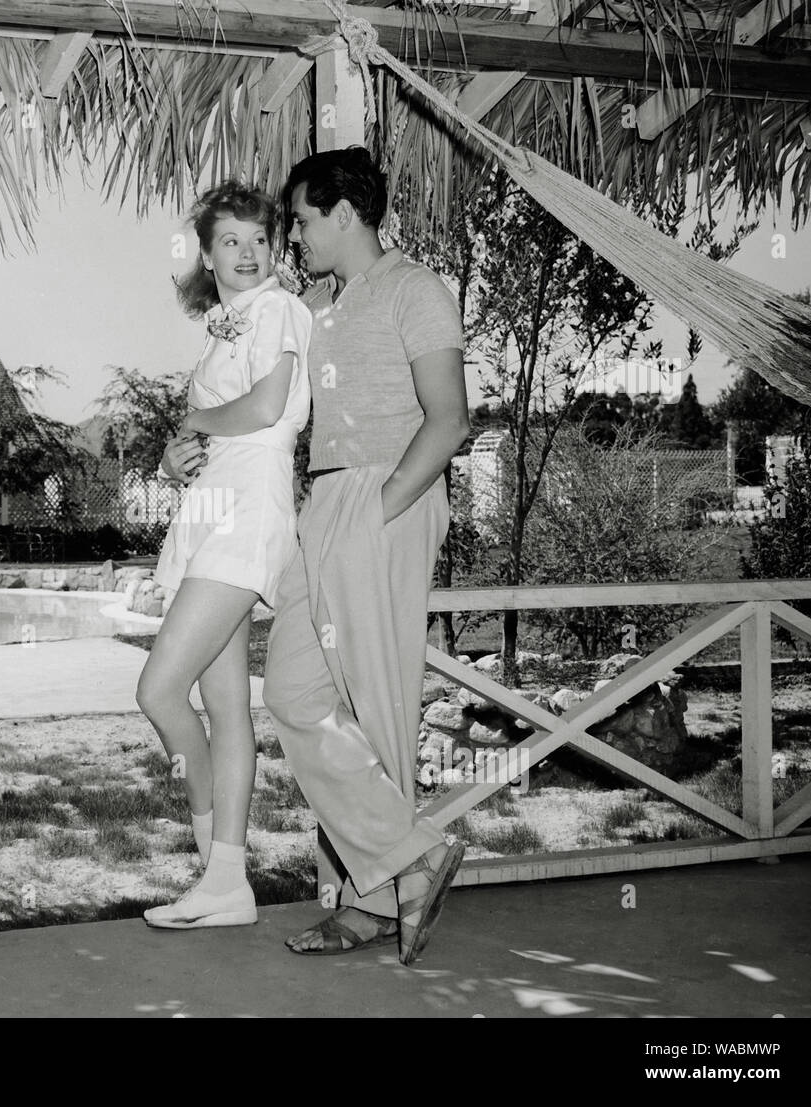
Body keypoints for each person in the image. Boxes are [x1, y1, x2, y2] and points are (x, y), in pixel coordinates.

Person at [259, 147, 471, 960]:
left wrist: (379, 514)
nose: (297, 235)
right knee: (294, 690)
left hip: (389, 492)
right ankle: (411, 858)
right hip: (328, 498)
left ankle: (368, 904)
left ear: (345, 212)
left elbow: (448, 419)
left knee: (376, 701)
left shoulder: (416, 289)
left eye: (305, 219)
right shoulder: (321, 304)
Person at [138, 181, 312, 929]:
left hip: (247, 511)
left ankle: (217, 867)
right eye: (231, 242)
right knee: (222, 706)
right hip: (212, 507)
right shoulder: (225, 326)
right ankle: (226, 884)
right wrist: (176, 456)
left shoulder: (279, 310)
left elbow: (266, 410)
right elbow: (208, 431)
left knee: (158, 691)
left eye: (260, 240)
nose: (247, 254)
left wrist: (195, 419)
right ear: (207, 255)